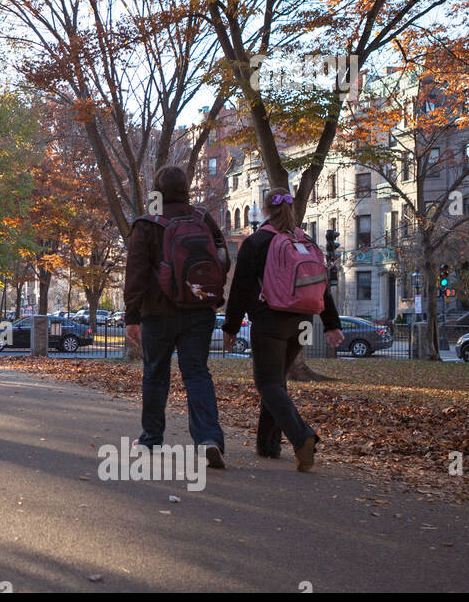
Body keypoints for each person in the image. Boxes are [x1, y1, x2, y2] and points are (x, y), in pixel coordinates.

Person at [224, 187, 344, 472]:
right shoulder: (305, 240)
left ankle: (302, 436)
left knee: (268, 383)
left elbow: (240, 288)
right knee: (277, 381)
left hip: (271, 319)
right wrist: (331, 324)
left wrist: (230, 327)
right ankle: (268, 446)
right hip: (304, 320)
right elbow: (321, 285)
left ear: (266, 209)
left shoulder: (257, 242)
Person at [125, 165, 229, 468]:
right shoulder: (202, 218)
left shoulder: (147, 224)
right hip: (199, 310)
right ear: (186, 189)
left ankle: (151, 438)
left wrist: (132, 316)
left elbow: (136, 274)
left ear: (157, 190)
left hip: (157, 313)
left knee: (155, 374)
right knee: (197, 373)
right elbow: (223, 258)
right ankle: (209, 439)